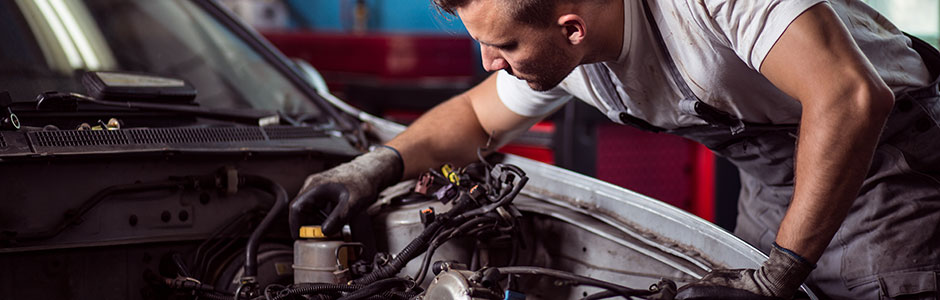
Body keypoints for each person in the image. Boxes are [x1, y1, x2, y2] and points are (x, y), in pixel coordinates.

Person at [292, 0, 940, 298]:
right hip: (776, 179)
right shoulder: (571, 51)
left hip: (890, 166)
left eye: (504, 48)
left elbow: (851, 97)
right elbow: (471, 118)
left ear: (571, 28)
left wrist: (775, 276)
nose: (490, 62)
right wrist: (371, 167)